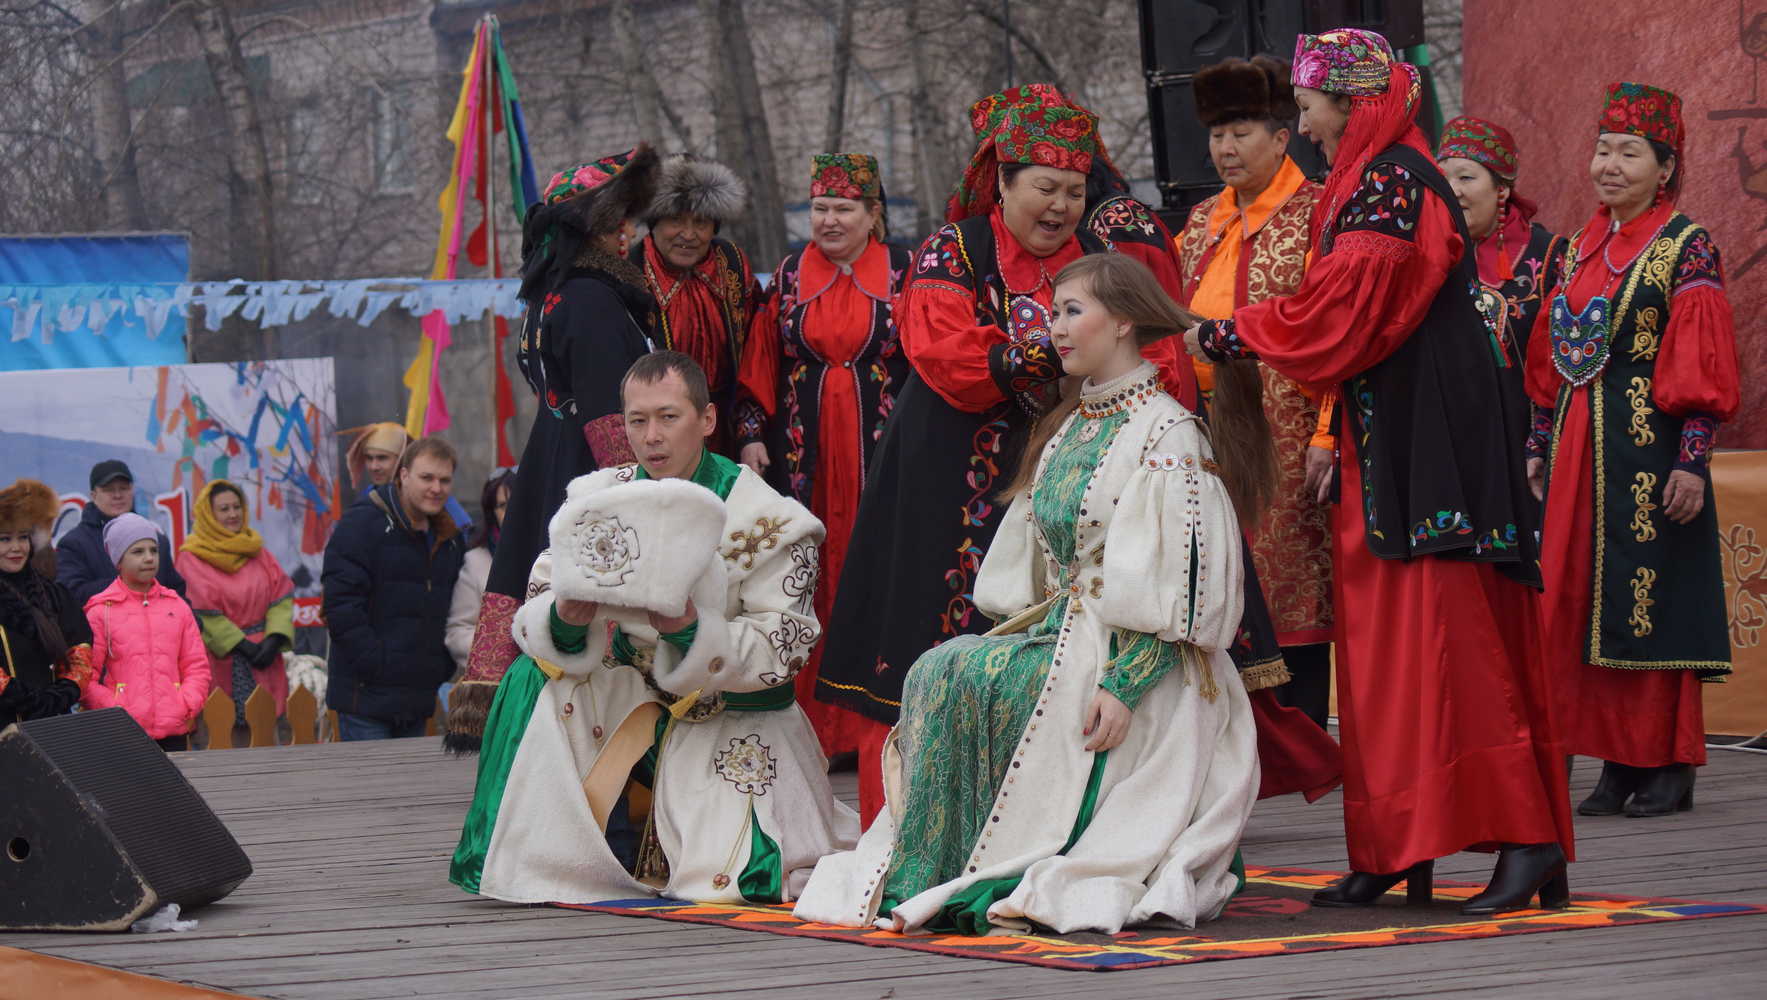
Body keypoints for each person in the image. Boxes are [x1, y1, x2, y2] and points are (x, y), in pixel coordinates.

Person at [1184, 28, 1572, 916]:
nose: (1306, 123)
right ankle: (1400, 840)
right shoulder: (1375, 174)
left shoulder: (1394, 177)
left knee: (1448, 629)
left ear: (1348, 102)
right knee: (1387, 641)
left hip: (1426, 422)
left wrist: (1234, 333)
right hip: (1389, 416)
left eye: (1311, 106)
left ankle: (1526, 836)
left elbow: (1348, 306)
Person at [796, 255, 1257, 934]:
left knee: (980, 669)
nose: (1055, 328)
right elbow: (1036, 569)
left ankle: (1020, 854)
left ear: (1124, 319)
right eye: (1054, 311)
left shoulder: (1165, 433)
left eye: (1072, 311)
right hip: (1073, 635)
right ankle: (937, 863)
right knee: (944, 667)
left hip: (1148, 665)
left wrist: (1124, 684)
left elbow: (1178, 591)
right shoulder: (1074, 423)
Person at [816, 103, 1194, 825]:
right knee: (926, 635)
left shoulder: (1101, 262)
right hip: (948, 477)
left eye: (1073, 190)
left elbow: (1158, 350)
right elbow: (948, 358)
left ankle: (1044, 820)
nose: (1059, 205)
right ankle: (905, 820)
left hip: (1068, 476)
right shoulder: (951, 253)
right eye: (1043, 187)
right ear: (1002, 184)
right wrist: (1064, 351)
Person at [450, 352, 857, 905]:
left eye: (669, 417)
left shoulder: (773, 522)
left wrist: (690, 631)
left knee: (743, 876)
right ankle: (538, 858)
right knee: (532, 676)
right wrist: (566, 624)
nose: (651, 437)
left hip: (723, 711)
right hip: (624, 700)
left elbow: (782, 650)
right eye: (637, 421)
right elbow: (538, 606)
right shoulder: (593, 498)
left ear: (707, 420)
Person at [1524, 83, 1738, 818]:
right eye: (1602, 149)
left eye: (1628, 153)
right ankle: (1614, 762)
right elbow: (1548, 355)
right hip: (1576, 454)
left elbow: (1701, 360)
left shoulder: (1685, 245)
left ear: (1665, 165)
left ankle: (1667, 762)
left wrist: (1692, 457)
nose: (1608, 165)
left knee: (1650, 602)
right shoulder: (1577, 247)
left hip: (1648, 452)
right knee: (1582, 602)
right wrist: (1534, 439)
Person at [445, 148, 662, 753]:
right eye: (622, 220)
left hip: (550, 452)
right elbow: (608, 418)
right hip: (583, 469)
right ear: (596, 227)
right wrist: (641, 498)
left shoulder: (554, 293)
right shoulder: (592, 300)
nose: (631, 233)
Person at [733, 152, 911, 759]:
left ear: (873, 214)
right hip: (802, 455)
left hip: (882, 450)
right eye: (819, 207)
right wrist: (752, 431)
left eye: (843, 208)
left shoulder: (905, 272)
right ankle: (814, 729)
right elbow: (761, 360)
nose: (829, 220)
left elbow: (923, 361)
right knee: (807, 570)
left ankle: (876, 725)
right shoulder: (786, 277)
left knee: (879, 568)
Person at [1177, 55, 1335, 728]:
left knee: (1293, 585)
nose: (1225, 147)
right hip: (1205, 428)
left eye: (1241, 131)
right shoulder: (1199, 220)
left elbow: (1335, 336)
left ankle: (1300, 736)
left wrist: (1328, 433)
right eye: (1216, 134)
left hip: (1287, 426)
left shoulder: (1318, 213)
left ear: (1282, 134)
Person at [322, 437, 467, 740]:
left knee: (410, 788)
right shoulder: (361, 524)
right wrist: (378, 665)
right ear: (403, 475)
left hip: (417, 698)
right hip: (366, 701)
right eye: (426, 477)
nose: (436, 488)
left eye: (444, 480)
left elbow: (452, 610)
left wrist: (437, 667)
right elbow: (341, 609)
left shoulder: (450, 537)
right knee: (370, 788)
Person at [632, 153, 758, 453]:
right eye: (675, 220)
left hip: (726, 432)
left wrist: (750, 434)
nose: (688, 235)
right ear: (653, 223)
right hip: (657, 437)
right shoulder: (630, 273)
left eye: (701, 222)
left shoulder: (732, 264)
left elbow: (756, 352)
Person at [82, 513, 209, 751]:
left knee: (174, 789)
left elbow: (196, 665)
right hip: (122, 733)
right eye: (137, 552)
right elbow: (86, 676)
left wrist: (186, 703)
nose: (149, 558)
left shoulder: (177, 606)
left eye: (154, 550)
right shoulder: (101, 611)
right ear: (119, 560)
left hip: (174, 731)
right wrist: (115, 708)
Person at [175, 480, 296, 724]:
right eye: (224, 509)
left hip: (265, 658)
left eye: (236, 507)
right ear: (208, 514)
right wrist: (243, 646)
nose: (233, 514)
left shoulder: (257, 550)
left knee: (269, 735)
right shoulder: (191, 558)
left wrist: (273, 640)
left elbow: (281, 596)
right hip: (223, 660)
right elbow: (202, 613)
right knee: (227, 735)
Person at [0, 479, 92, 725]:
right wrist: (23, 698)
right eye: (5, 539)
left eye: (23, 537)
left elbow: (80, 650)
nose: (16, 548)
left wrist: (63, 692)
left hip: (51, 725)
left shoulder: (51, 594)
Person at [56, 460, 185, 604]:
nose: (117, 495)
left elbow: (177, 592)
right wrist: (129, 582)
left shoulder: (158, 540)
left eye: (123, 488)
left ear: (132, 491)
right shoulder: (74, 543)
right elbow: (70, 594)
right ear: (93, 495)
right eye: (108, 489)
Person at [344, 422, 473, 533]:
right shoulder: (366, 499)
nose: (374, 466)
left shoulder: (440, 502)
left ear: (401, 460)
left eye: (382, 458)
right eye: (369, 458)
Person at [446, 470, 514, 679]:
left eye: (518, 501)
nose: (512, 511)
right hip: (496, 687)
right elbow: (458, 632)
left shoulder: (555, 554)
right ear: (492, 512)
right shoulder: (476, 562)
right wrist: (502, 654)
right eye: (502, 505)